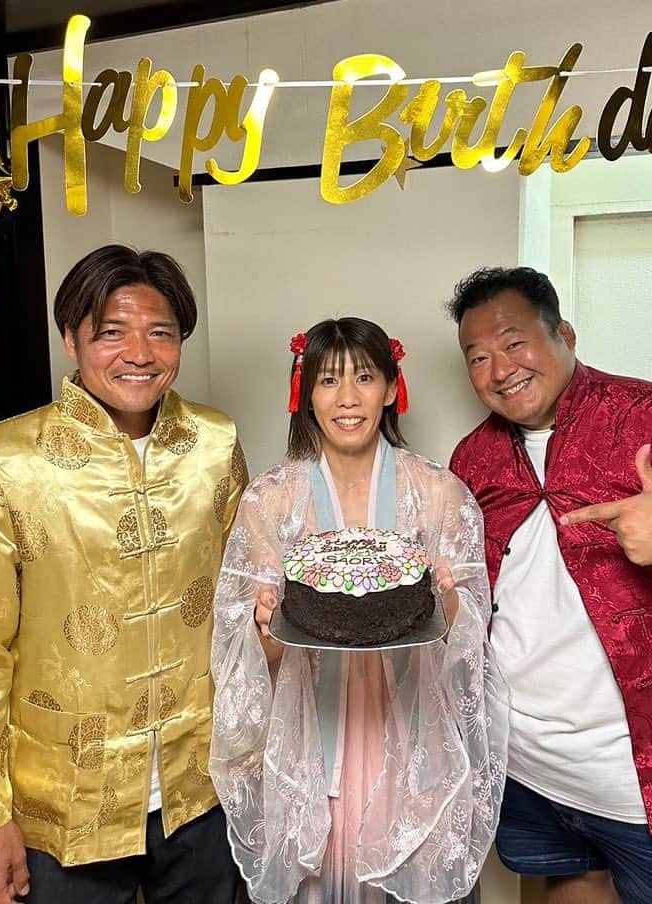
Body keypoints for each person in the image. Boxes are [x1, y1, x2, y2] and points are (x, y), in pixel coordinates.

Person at [446, 267, 652, 904]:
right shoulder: (472, 459)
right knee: (568, 888)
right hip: (528, 771)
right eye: (478, 357)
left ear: (565, 335)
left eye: (514, 343)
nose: (499, 370)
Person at [0, 244, 246, 904]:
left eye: (160, 333)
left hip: (203, 786)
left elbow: (241, 603)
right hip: (62, 800)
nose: (139, 354)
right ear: (72, 339)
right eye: (112, 332)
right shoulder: (2, 461)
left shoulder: (216, 443)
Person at [209, 318, 509, 904]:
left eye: (365, 378)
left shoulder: (439, 492)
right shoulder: (271, 499)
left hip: (411, 732)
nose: (347, 398)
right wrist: (264, 627)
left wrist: (448, 600)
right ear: (304, 394)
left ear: (392, 388)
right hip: (309, 733)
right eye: (328, 381)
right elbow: (241, 648)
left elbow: (470, 638)